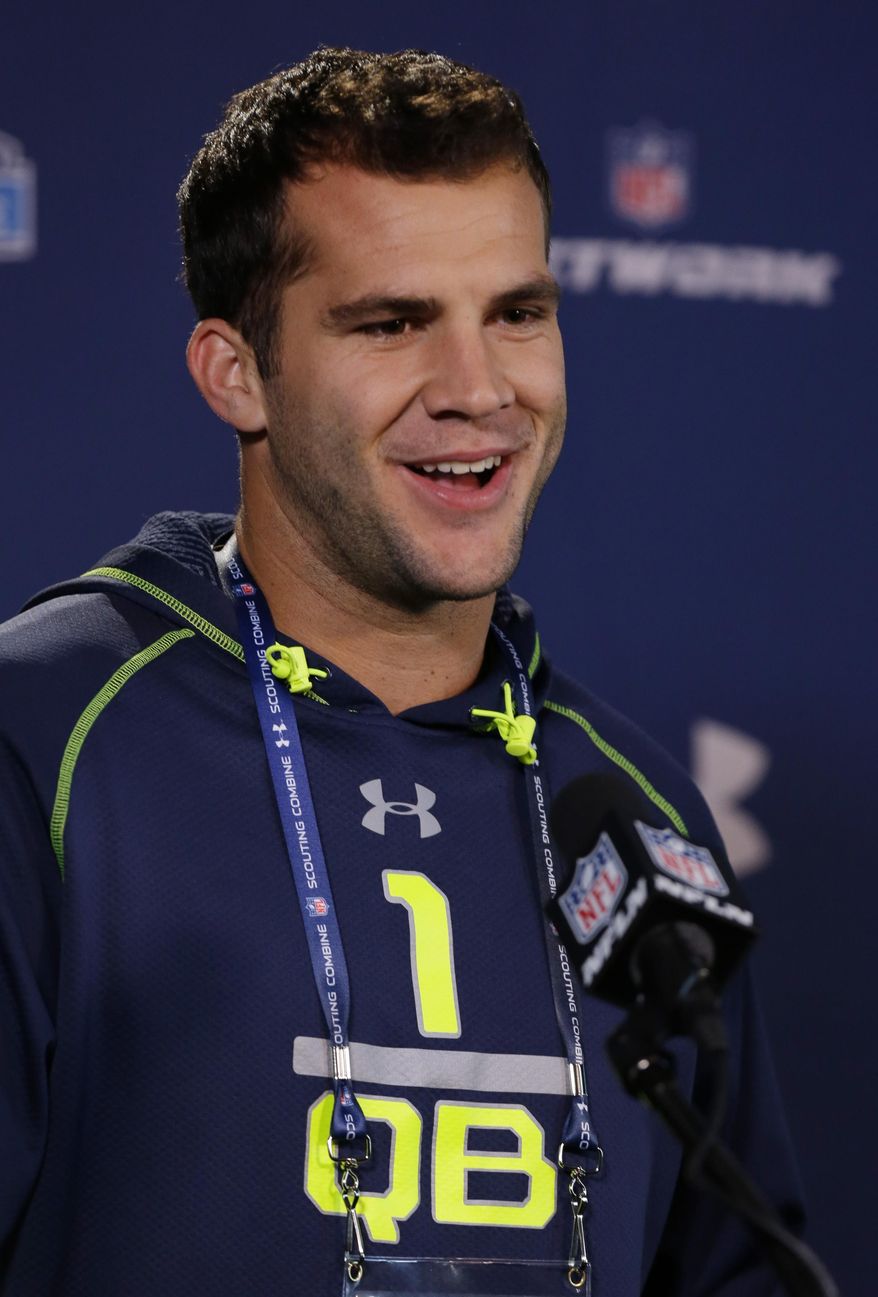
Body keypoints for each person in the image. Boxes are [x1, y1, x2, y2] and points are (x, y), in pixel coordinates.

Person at [0, 47, 803, 1296]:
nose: (479, 391)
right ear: (237, 373)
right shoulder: (44, 738)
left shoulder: (635, 808)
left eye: (517, 313)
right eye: (391, 323)